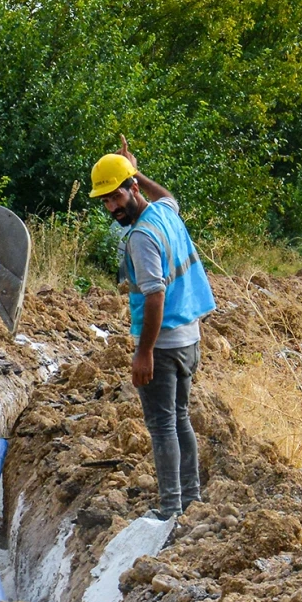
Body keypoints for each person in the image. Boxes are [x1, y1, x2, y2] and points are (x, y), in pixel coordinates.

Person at [90, 137, 217, 520]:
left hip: (162, 345)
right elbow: (169, 196)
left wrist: (143, 352)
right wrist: (136, 171)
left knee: (162, 425)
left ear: (131, 190)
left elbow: (155, 297)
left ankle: (170, 508)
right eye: (106, 201)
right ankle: (190, 500)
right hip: (189, 336)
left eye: (116, 196)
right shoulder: (164, 212)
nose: (112, 207)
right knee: (179, 418)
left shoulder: (142, 237)